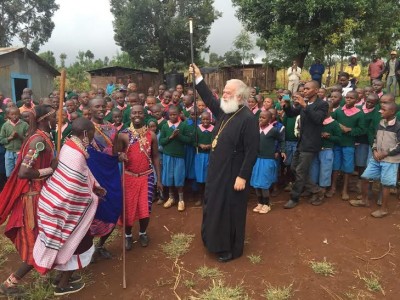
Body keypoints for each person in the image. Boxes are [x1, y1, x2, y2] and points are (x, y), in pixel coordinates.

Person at [190, 63, 259, 262]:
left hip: (234, 175)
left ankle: (230, 249)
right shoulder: (225, 111)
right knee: (215, 205)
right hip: (217, 171)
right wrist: (198, 78)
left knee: (230, 210)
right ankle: (213, 240)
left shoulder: (247, 118)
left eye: (228, 93)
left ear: (239, 96)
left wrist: (243, 176)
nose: (224, 95)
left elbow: (252, 151)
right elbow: (209, 99)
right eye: (224, 92)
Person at [33, 118, 105, 296]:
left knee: (65, 243)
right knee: (78, 243)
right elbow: (73, 186)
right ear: (86, 133)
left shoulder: (70, 145)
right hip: (64, 209)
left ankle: (60, 276)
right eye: (93, 132)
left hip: (54, 204)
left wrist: (94, 186)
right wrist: (92, 198)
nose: (94, 135)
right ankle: (63, 285)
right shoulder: (76, 153)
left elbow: (82, 176)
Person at [0, 105, 56, 296]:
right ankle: (9, 284)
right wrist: (50, 170)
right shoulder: (38, 140)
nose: (58, 120)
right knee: (38, 244)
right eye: (55, 117)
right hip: (33, 200)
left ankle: (45, 274)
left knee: (46, 239)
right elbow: (24, 172)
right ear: (46, 119)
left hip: (41, 196)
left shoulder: (45, 137)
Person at [117, 105, 162, 250]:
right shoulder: (123, 135)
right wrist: (120, 156)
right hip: (129, 177)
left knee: (145, 208)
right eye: (134, 113)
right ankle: (128, 235)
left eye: (140, 113)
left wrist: (159, 179)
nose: (137, 115)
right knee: (128, 209)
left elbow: (155, 157)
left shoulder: (152, 135)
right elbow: (115, 154)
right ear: (130, 116)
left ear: (145, 115)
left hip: (147, 177)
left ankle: (143, 233)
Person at [281, 80, 329, 209]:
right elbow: (292, 113)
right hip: (301, 142)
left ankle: (294, 197)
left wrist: (304, 106)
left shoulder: (322, 104)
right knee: (294, 168)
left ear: (316, 90)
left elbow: (318, 119)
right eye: (304, 89)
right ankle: (317, 190)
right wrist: (286, 105)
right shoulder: (305, 103)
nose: (304, 91)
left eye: (307, 89)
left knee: (300, 171)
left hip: (311, 143)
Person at [349, 102, 400, 218]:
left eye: (383, 109)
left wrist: (386, 153)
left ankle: (384, 209)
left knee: (386, 184)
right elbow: (376, 139)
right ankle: (364, 200)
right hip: (377, 157)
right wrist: (375, 150)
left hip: (390, 160)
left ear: (392, 112)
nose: (380, 111)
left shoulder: (398, 127)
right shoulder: (381, 123)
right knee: (366, 177)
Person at [87, 97, 123, 260]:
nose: (101, 109)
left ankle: (100, 245)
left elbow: (114, 152)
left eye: (103, 106)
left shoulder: (112, 128)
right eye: (97, 106)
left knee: (114, 206)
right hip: (92, 175)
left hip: (111, 174)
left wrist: (120, 155)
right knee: (92, 211)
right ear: (90, 109)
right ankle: (87, 249)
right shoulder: (84, 127)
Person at [326, 91, 365, 200]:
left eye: (351, 98)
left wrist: (349, 130)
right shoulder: (339, 111)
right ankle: (333, 188)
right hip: (338, 142)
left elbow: (361, 129)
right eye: (347, 97)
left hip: (349, 144)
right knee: (335, 166)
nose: (348, 100)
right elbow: (331, 121)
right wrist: (338, 126)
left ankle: (344, 190)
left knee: (348, 167)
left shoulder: (359, 113)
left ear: (357, 100)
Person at [251, 110, 286, 214]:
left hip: (267, 160)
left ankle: (267, 204)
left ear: (270, 120)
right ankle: (260, 203)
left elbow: (281, 140)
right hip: (256, 159)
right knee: (256, 182)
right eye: (260, 117)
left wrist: (281, 150)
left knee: (264, 183)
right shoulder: (256, 129)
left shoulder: (273, 130)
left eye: (264, 118)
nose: (260, 119)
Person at [309, 101, 342, 205]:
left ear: (331, 110)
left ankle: (321, 193)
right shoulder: (316, 121)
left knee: (325, 172)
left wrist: (329, 137)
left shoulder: (334, 123)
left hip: (327, 150)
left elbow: (339, 138)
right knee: (314, 171)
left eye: (326, 109)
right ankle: (315, 191)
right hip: (315, 150)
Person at [159, 106, 191, 211]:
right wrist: (171, 137)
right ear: (168, 115)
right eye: (171, 114)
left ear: (179, 114)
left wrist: (179, 136)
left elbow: (188, 140)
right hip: (167, 155)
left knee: (179, 177)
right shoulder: (164, 126)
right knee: (169, 177)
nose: (172, 116)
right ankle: (171, 197)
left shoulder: (183, 125)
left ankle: (181, 200)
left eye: (175, 114)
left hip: (179, 156)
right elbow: (161, 141)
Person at [0, 107, 29, 177]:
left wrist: (20, 137)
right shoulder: (5, 126)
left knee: (19, 173)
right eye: (12, 114)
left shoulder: (24, 125)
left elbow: (29, 139)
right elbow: (1, 140)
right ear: (8, 115)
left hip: (20, 152)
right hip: (9, 152)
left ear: (20, 114)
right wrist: (10, 138)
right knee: (9, 174)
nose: (14, 116)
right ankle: (10, 186)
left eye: (16, 114)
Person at [194, 111, 214, 206]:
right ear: (200, 120)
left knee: (209, 177)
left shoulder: (214, 129)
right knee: (200, 177)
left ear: (211, 119)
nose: (205, 121)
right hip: (200, 155)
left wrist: (211, 145)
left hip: (211, 155)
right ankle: (200, 197)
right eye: (203, 119)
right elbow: (193, 141)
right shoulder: (197, 129)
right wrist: (199, 144)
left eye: (207, 119)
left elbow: (218, 141)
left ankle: (209, 198)